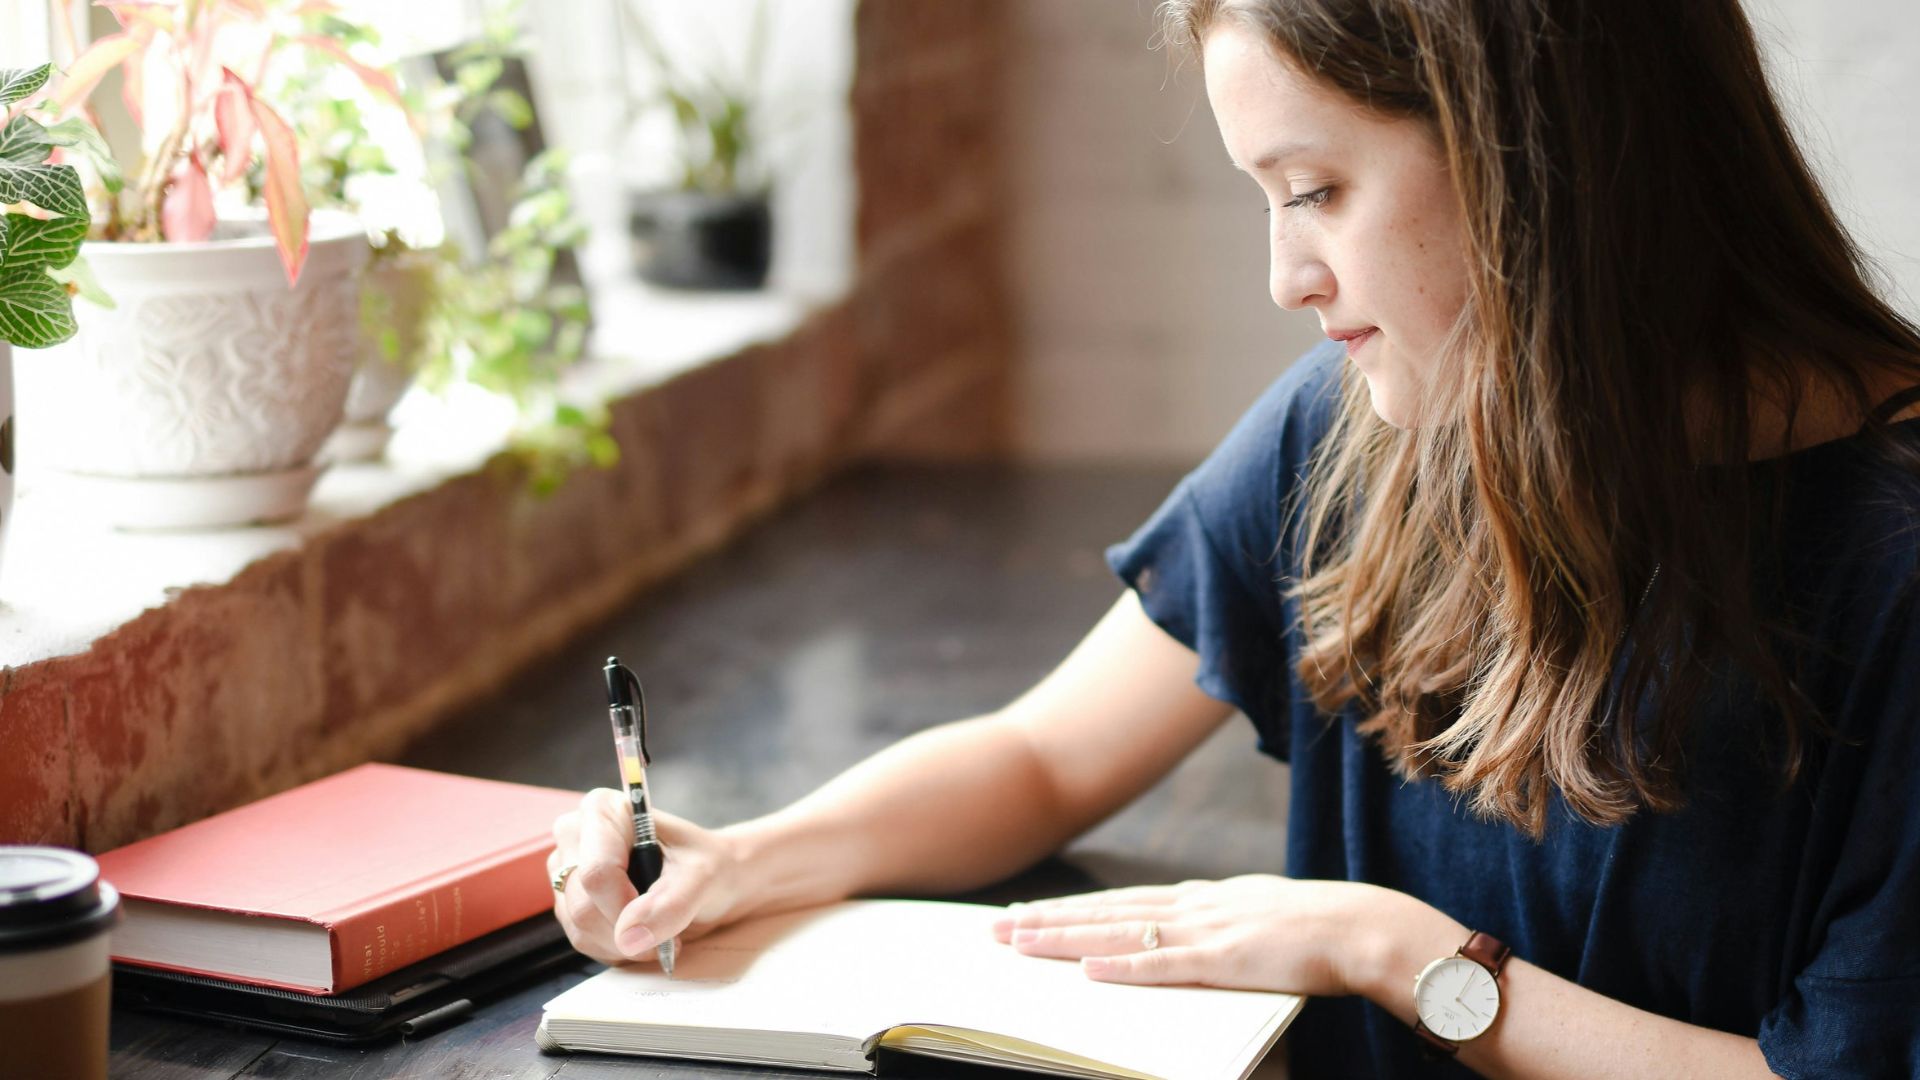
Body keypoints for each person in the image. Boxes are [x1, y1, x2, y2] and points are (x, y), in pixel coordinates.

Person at [550, 1, 1920, 1075]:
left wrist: (1398, 952)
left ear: (1542, 158)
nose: (1285, 276)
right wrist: (747, 858)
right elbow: (1043, 755)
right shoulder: (1364, 426)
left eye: (1316, 188)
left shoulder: (1896, 563)